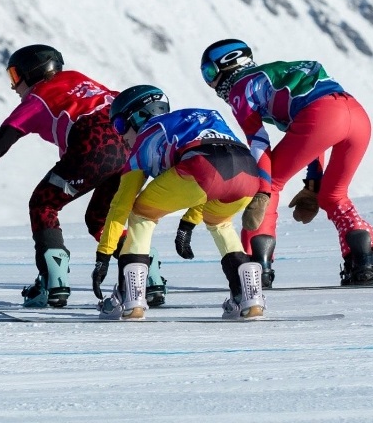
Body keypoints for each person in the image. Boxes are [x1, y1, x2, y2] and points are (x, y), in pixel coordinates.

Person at [0, 44, 166, 308]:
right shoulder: (80, 79)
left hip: (93, 144)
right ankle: (148, 273)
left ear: (32, 72)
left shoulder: (36, 100)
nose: (14, 86)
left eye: (15, 76)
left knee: (43, 204)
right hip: (130, 143)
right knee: (100, 219)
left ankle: (53, 282)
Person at [200, 38, 373, 286]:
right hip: (357, 115)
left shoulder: (241, 88)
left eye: (209, 73)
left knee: (268, 183)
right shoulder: (274, 71)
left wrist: (262, 190)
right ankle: (362, 261)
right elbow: (315, 128)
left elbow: (258, 142)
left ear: (227, 65)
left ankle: (257, 268)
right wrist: (313, 184)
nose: (210, 83)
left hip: (320, 116)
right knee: (334, 195)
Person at [94, 85, 266, 320]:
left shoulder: (144, 141)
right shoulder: (198, 116)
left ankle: (130, 299)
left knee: (141, 214)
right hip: (248, 172)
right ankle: (248, 296)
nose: (121, 136)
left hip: (202, 168)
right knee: (221, 223)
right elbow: (215, 174)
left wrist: (103, 255)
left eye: (119, 126)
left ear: (137, 117)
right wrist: (188, 222)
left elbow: (120, 206)